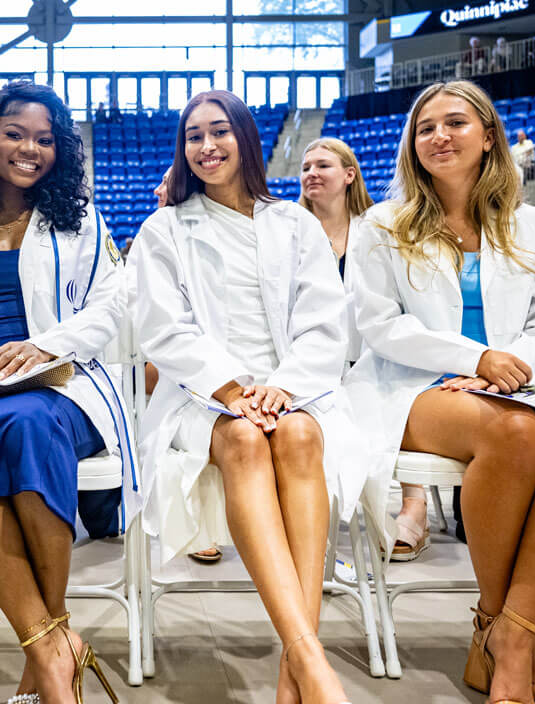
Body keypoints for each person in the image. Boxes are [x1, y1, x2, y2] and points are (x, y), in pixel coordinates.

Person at [344, 80, 535, 704]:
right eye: (426, 127)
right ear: (412, 145)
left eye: (456, 123)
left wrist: (508, 365)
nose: (439, 135)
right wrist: (477, 358)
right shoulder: (381, 225)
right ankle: (510, 642)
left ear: (488, 136)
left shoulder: (527, 224)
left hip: (514, 383)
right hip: (410, 388)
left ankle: (505, 637)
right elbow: (381, 328)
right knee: (510, 430)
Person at [136, 89, 363, 704]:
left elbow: (324, 323)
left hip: (295, 388)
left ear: (245, 137)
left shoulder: (295, 225)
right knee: (242, 438)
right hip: (202, 395)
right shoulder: (165, 229)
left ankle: (299, 658)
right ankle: (312, 662)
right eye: (193, 137)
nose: (206, 147)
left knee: (301, 434)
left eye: (219, 132)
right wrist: (235, 391)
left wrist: (280, 387)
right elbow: (164, 329)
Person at [0, 80, 131, 704]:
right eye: (15, 134)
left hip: (66, 387)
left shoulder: (81, 219)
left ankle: (47, 654)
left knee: (27, 424)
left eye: (44, 139)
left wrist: (49, 346)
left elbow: (112, 305)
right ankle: (51, 649)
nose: (29, 149)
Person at [300, 137, 439, 561]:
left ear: (349, 175)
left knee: (396, 401)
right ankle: (311, 518)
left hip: (375, 357)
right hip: (314, 363)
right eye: (305, 167)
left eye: (322, 165)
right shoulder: (292, 232)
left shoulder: (380, 228)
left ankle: (415, 507)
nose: (311, 174)